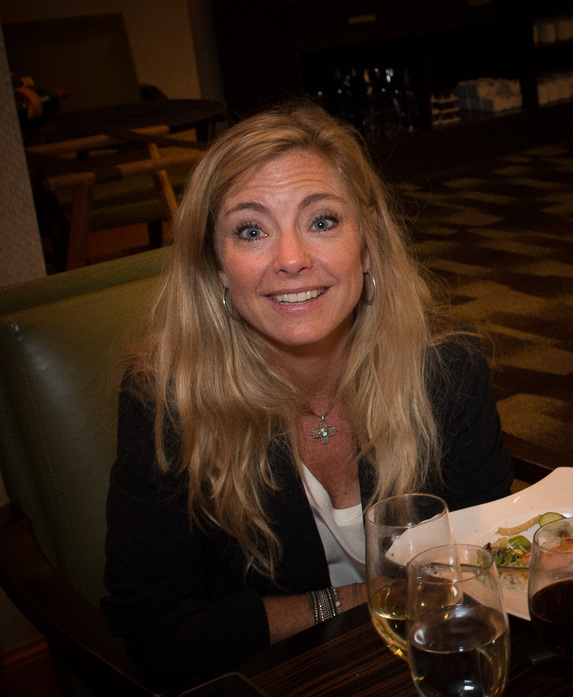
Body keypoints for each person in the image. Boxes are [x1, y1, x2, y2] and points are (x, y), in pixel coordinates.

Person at [101, 101, 513, 689]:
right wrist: (362, 599)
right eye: (252, 231)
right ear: (217, 267)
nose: (292, 259)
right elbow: (159, 635)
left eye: (321, 221)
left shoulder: (448, 369)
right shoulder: (166, 404)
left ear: (367, 244)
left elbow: (486, 567)